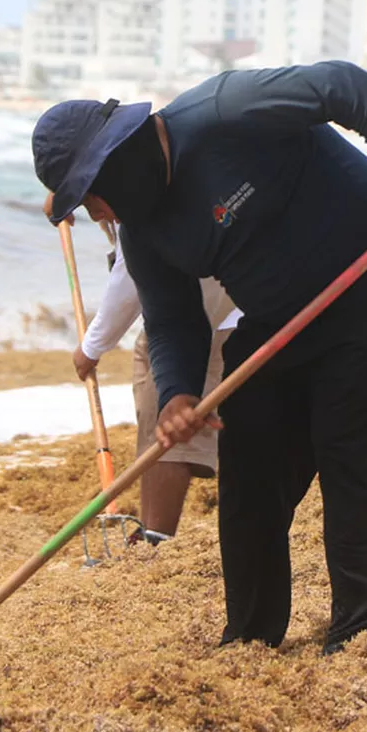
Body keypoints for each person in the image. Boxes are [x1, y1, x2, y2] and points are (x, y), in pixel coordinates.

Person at [33, 60, 367, 654]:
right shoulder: (143, 231)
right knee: (249, 471)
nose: (100, 213)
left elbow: (344, 87)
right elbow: (172, 318)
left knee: (354, 469)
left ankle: (357, 646)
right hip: (279, 322)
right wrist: (177, 393)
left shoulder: (226, 110)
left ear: (120, 158)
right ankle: (250, 637)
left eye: (93, 195)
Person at [73, 223, 240, 544]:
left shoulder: (133, 200)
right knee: (148, 385)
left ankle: (157, 536)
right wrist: (64, 195)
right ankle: (148, 526)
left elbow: (128, 280)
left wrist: (92, 347)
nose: (91, 212)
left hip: (210, 298)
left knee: (167, 417)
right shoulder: (111, 190)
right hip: (177, 295)